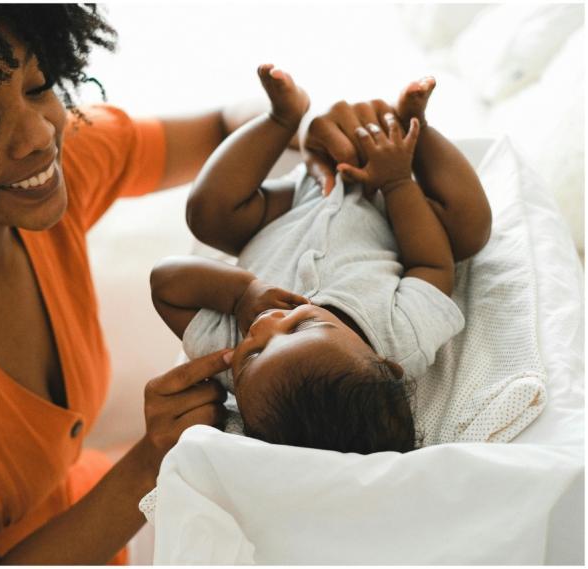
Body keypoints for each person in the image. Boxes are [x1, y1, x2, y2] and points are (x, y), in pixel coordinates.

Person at [0, 4, 440, 564]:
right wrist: (146, 462)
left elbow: (219, 126)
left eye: (39, 83)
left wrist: (298, 131)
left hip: (78, 523)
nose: (40, 134)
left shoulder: (55, 172)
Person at [150, 65, 492, 452]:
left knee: (207, 214)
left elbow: (166, 282)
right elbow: (431, 264)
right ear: (386, 365)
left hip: (290, 208)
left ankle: (281, 118)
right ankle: (415, 128)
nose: (265, 326)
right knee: (469, 229)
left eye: (253, 356)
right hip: (390, 211)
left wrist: (243, 293)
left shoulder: (225, 349)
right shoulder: (402, 338)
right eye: (298, 327)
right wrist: (397, 182)